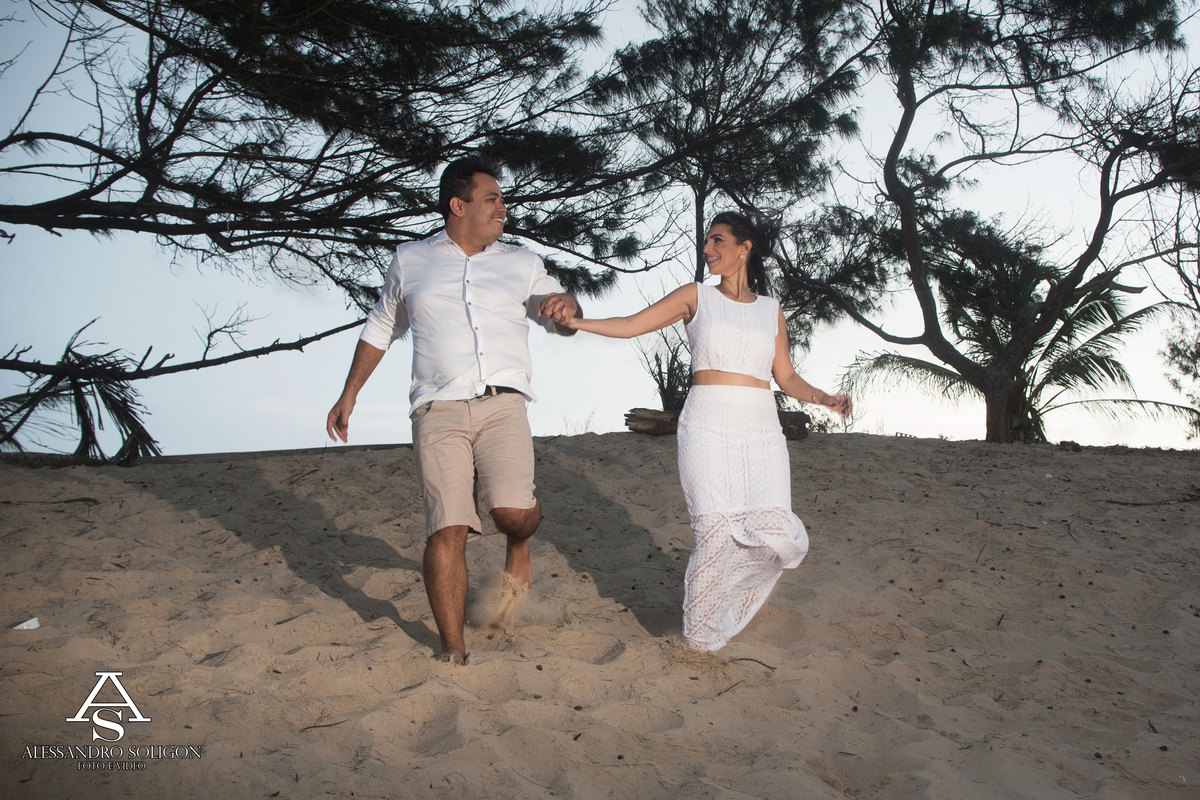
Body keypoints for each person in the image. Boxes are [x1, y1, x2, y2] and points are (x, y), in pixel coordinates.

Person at [551, 211, 851, 651]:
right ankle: (701, 639)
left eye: (718, 241)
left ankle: (725, 603)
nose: (707, 249)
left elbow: (786, 377)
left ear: (744, 248)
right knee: (714, 531)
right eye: (706, 242)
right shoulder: (696, 296)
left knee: (774, 532)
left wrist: (825, 398)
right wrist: (578, 323)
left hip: (761, 429)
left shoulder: (771, 311)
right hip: (708, 422)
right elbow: (633, 324)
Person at [326, 155, 582, 666]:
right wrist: (349, 392)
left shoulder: (520, 261)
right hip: (436, 409)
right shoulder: (410, 260)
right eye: (493, 199)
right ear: (458, 204)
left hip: (502, 403)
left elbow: (557, 311)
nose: (503, 209)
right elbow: (381, 327)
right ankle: (452, 645)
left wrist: (567, 308)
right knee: (448, 526)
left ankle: (520, 545)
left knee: (512, 513)